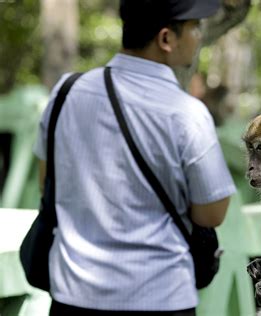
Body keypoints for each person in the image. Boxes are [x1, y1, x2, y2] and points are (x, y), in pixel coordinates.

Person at [33, 1, 237, 315]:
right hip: (160, 296)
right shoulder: (186, 113)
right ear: (166, 39)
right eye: (195, 27)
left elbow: (46, 182)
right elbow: (212, 214)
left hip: (72, 296)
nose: (199, 36)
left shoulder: (67, 92)